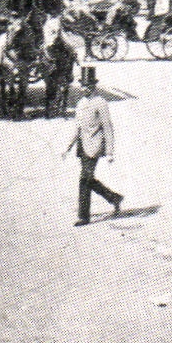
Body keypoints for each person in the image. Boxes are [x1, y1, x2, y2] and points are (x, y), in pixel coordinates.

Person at [62, 67, 122, 226]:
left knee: (84, 179)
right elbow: (78, 126)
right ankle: (114, 197)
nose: (85, 88)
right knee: (88, 178)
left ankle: (83, 216)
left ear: (94, 86)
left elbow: (108, 127)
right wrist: (68, 146)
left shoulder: (100, 103)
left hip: (95, 146)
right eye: (83, 85)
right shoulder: (81, 103)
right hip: (82, 146)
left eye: (88, 85)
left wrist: (109, 152)